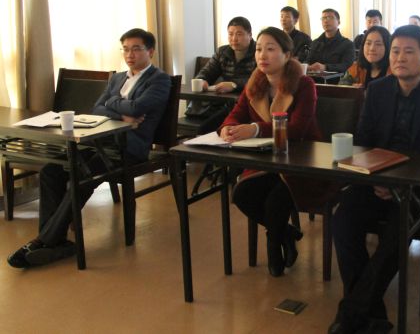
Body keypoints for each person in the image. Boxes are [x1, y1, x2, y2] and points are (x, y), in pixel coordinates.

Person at [328, 25, 420, 334]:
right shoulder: (378, 90)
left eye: (409, 52)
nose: (399, 58)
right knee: (343, 219)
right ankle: (372, 313)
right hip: (377, 181)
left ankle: (351, 314)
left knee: (397, 232)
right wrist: (378, 179)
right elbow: (364, 142)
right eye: (395, 51)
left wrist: (401, 183)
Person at [8, 28, 171, 268]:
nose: (130, 54)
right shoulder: (117, 78)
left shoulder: (159, 79)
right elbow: (96, 108)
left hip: (129, 148)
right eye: (126, 49)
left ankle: (43, 241)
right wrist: (121, 111)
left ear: (151, 51)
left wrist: (113, 103)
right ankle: (55, 241)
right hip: (99, 142)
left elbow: (137, 108)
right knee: (51, 171)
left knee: (83, 176)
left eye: (136, 49)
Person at [221, 27, 321, 277]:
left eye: (270, 49)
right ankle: (286, 233)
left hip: (301, 161)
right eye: (258, 49)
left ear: (287, 55)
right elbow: (234, 116)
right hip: (266, 160)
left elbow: (296, 129)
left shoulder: (304, 84)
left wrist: (255, 129)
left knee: (276, 199)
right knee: (241, 194)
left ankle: (274, 246)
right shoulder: (255, 83)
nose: (262, 55)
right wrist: (227, 129)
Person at [188, 16, 257, 133]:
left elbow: (258, 79)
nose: (234, 38)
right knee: (204, 129)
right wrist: (202, 80)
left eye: (239, 34)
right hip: (223, 103)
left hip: (248, 104)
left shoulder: (258, 52)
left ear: (250, 35)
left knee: (206, 129)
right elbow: (207, 71)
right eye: (230, 34)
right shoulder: (222, 52)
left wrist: (234, 85)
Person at [307, 8, 355, 73]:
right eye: (323, 18)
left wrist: (325, 67)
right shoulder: (315, 42)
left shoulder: (347, 44)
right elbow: (308, 61)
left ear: (338, 22)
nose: (326, 21)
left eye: (330, 17)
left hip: (337, 78)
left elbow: (346, 65)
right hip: (313, 77)